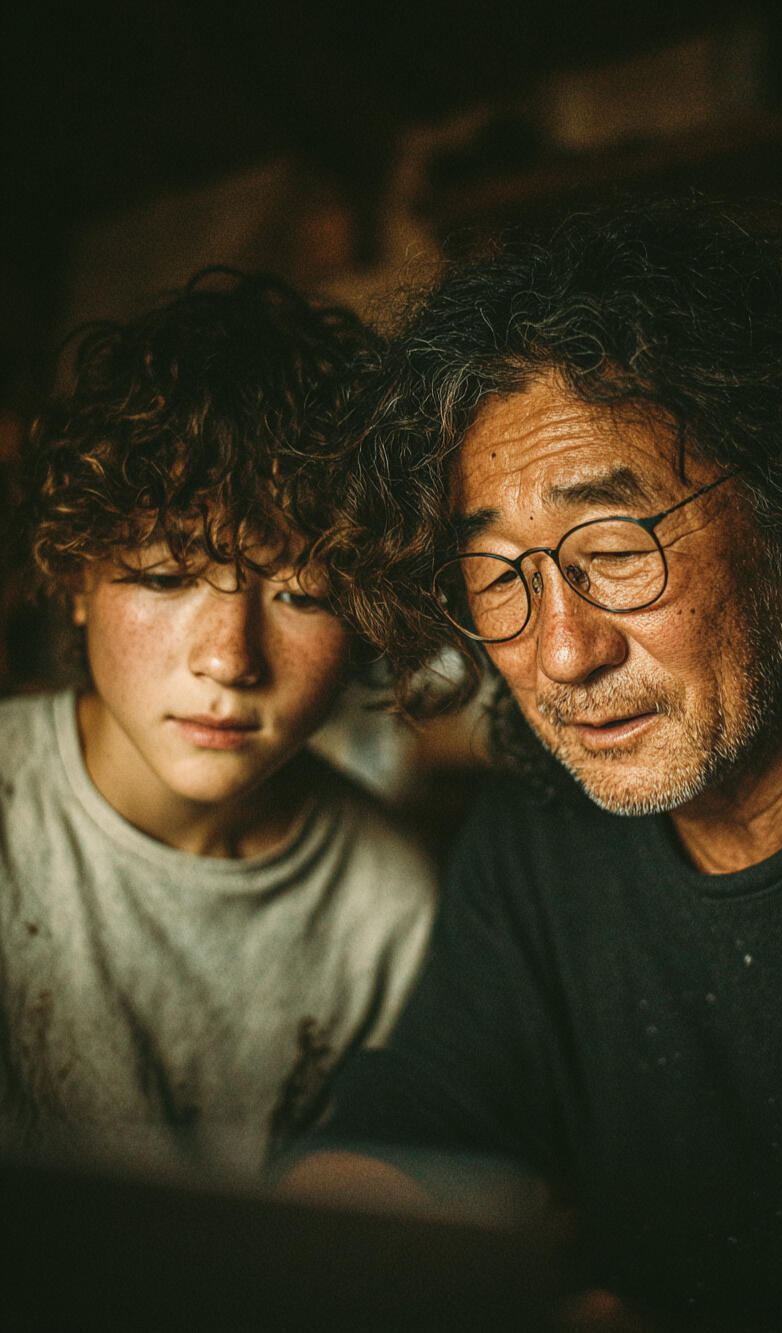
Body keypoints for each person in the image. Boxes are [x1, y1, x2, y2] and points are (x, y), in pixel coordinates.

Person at [286, 201, 782, 1330]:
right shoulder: (535, 841)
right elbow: (419, 1122)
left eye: (614, 552)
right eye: (498, 575)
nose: (561, 650)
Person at [0, 270, 436, 1178]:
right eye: (165, 576)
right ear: (77, 576)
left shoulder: (391, 906)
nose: (230, 658)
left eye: (303, 593)